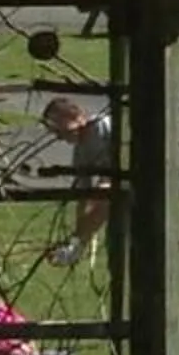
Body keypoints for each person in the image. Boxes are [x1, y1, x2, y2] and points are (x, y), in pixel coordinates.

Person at [40, 97, 115, 265]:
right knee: (101, 192)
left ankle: (75, 248)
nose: (60, 136)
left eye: (60, 126)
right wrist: (79, 231)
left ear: (78, 116)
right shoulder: (81, 152)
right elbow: (83, 195)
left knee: (104, 191)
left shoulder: (103, 126)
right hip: (113, 182)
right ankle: (76, 246)